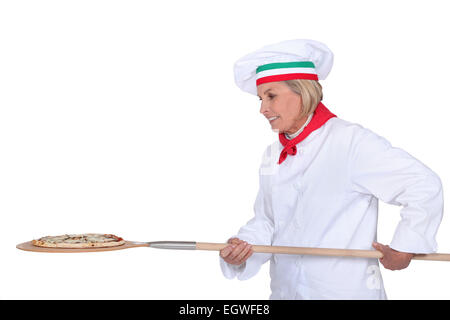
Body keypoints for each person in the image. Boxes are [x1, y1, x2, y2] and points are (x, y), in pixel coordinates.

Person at [218, 39, 444, 299]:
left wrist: (407, 245)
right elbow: (268, 221)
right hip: (286, 293)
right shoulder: (272, 154)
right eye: (260, 99)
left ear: (302, 92)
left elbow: (422, 184)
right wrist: (244, 248)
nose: (262, 109)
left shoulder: (351, 142)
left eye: (271, 96)